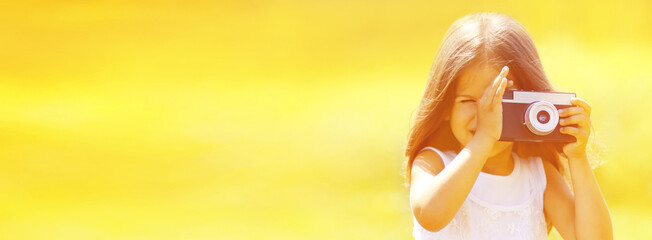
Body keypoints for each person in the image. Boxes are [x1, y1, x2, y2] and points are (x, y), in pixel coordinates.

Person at [405, 13, 612, 240]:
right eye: (468, 101)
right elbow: (431, 216)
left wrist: (578, 158)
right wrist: (484, 137)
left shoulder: (538, 175)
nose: (486, 113)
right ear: (445, 108)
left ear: (530, 102)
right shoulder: (434, 162)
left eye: (499, 100)